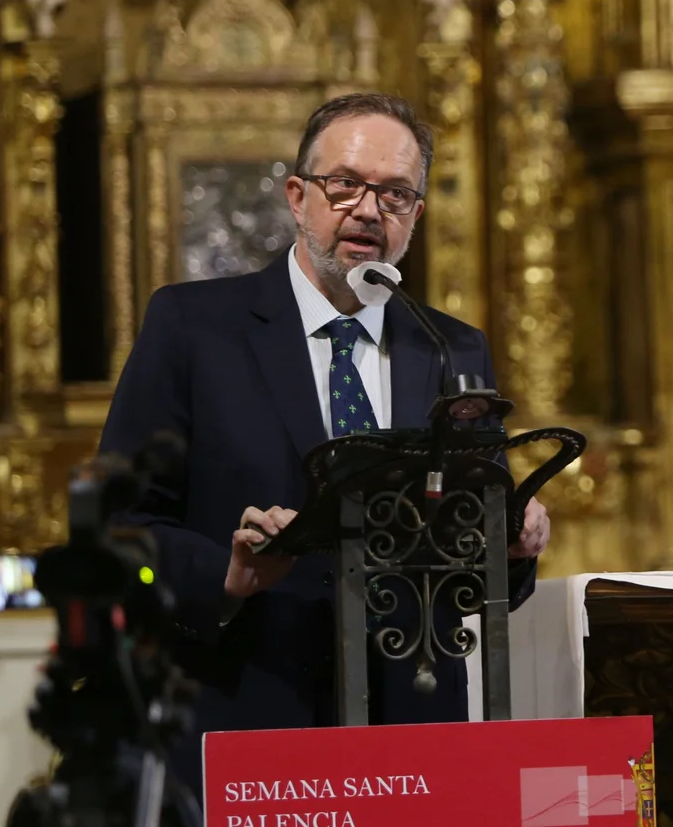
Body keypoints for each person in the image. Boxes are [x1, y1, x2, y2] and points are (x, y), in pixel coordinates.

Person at [99, 93, 551, 787]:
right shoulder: (193, 329)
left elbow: (471, 570)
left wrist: (513, 545)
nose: (368, 210)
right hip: (248, 724)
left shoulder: (450, 349)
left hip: (412, 740)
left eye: (396, 194)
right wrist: (221, 573)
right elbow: (114, 532)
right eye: (345, 184)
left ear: (416, 217)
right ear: (297, 195)